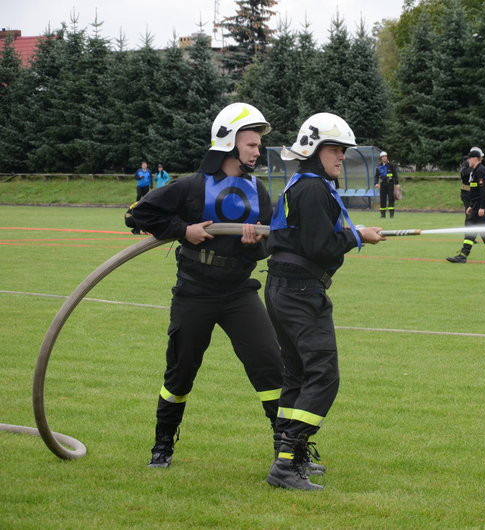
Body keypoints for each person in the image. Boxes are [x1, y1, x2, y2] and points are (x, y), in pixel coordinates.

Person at [128, 102, 284, 469]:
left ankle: (288, 451)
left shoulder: (258, 191)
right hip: (194, 291)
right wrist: (183, 230)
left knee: (271, 365)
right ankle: (162, 447)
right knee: (180, 372)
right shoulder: (191, 186)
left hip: (239, 292)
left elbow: (269, 244)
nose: (257, 152)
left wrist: (255, 244)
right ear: (229, 143)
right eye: (251, 144)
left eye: (258, 145)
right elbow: (137, 215)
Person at [264, 112, 385, 490]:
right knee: (324, 375)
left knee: (298, 375)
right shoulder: (314, 189)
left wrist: (355, 233)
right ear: (314, 150)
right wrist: (358, 236)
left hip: (284, 288)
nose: (342, 157)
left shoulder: (303, 185)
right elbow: (320, 245)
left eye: (343, 150)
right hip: (300, 292)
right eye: (335, 149)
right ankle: (286, 464)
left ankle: (289, 456)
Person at [446, 147, 485, 263]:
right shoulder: (476, 170)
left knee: (471, 228)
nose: (468, 161)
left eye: (469, 158)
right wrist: (471, 205)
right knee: (484, 231)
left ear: (475, 158)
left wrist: (482, 207)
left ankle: (463, 255)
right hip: (476, 205)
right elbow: (476, 191)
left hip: (480, 206)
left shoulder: (480, 171)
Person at [374, 150, 400, 218]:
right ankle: (383, 215)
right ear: (381, 158)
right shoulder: (379, 166)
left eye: (385, 156)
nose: (385, 157)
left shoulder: (391, 165)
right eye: (383, 156)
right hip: (383, 185)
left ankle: (391, 215)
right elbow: (376, 176)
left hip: (390, 184)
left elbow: (395, 175)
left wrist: (397, 184)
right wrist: (376, 183)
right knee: (382, 199)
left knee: (391, 199)